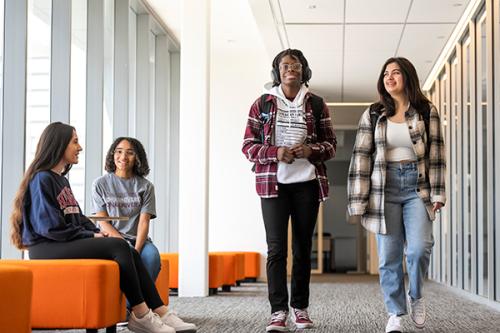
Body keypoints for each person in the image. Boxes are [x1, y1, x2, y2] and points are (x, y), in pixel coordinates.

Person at [10, 122, 197, 333]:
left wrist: (95, 232)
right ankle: (142, 314)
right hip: (46, 247)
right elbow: (49, 228)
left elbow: (78, 218)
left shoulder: (61, 180)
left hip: (60, 242)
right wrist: (93, 234)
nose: (79, 147)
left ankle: (160, 311)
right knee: (118, 247)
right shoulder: (42, 179)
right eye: (75, 142)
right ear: (59, 145)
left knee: (124, 247)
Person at [347, 57, 446, 333]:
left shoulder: (426, 110)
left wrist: (438, 192)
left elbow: (437, 153)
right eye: (386, 74)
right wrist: (359, 199)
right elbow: (361, 156)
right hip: (384, 188)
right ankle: (395, 313)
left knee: (419, 248)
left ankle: (416, 295)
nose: (389, 78)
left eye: (396, 73)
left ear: (408, 77)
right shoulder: (373, 113)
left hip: (418, 187)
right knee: (389, 256)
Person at [242, 49, 336, 332]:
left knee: (303, 248)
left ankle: (300, 308)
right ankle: (278, 311)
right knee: (276, 249)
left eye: (295, 65)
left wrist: (311, 150)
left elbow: (331, 144)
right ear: (277, 71)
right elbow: (248, 146)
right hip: (273, 185)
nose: (289, 69)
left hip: (307, 184)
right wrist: (276, 152)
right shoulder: (263, 104)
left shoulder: (317, 104)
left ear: (303, 70)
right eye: (284, 65)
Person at [92, 137, 160, 284]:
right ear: (112, 155)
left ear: (137, 158)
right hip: (110, 240)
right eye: (119, 151)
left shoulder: (146, 186)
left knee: (152, 257)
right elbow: (103, 222)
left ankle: (133, 306)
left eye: (130, 153)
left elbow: (143, 223)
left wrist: (135, 250)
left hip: (138, 240)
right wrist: (124, 245)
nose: (123, 157)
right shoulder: (100, 184)